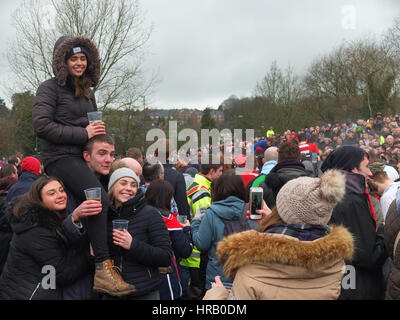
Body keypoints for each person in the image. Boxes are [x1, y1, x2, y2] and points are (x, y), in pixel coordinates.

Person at [32, 35, 134, 296]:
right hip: (59, 158)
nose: (79, 63)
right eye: (73, 58)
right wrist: (84, 134)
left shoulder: (89, 92)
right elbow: (41, 126)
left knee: (107, 204)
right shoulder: (49, 88)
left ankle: (104, 262)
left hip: (82, 159)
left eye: (83, 58)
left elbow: (91, 130)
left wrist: (99, 141)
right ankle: (103, 268)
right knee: (96, 197)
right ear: (62, 61)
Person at [203, 170, 354, 300]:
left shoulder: (251, 267)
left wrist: (217, 294)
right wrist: (273, 224)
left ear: (281, 210)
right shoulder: (336, 263)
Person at [0, 176, 92, 299]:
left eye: (61, 190)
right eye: (51, 193)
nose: (60, 195)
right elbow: (62, 274)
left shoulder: (43, 221)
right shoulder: (36, 231)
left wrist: (74, 220)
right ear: (40, 200)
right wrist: (89, 254)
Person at [321, 145, 387, 299]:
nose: (370, 173)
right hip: (360, 287)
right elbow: (370, 256)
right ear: (352, 169)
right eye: (366, 167)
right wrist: (385, 231)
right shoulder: (351, 201)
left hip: (344, 283)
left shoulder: (332, 194)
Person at [104, 168, 172, 300]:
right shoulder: (105, 216)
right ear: (112, 187)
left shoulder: (150, 214)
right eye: (123, 183)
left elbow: (165, 257)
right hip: (112, 292)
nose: (129, 188)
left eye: (133, 185)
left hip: (144, 292)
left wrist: (132, 245)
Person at [191, 172, 253, 291]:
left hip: (217, 278)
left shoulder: (211, 213)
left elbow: (201, 244)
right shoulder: (251, 212)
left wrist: (195, 223)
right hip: (246, 278)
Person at [180, 157, 224, 299]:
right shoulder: (203, 192)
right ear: (212, 171)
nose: (222, 174)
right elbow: (204, 225)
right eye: (220, 171)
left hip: (192, 249)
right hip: (197, 255)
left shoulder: (196, 184)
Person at [145, 180, 193, 300]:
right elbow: (185, 250)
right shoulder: (169, 219)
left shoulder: (141, 214)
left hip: (144, 276)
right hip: (166, 276)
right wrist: (187, 230)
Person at [247, 142, 311, 209]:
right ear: (300, 161)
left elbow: (255, 214)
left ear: (277, 161)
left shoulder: (260, 185)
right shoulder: (313, 186)